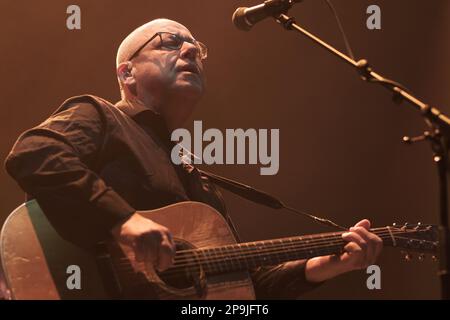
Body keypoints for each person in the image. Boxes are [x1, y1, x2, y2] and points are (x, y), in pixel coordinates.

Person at [4, 18, 382, 299]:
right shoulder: (101, 115)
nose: (189, 51)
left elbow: (239, 289)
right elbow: (34, 153)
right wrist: (123, 221)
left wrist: (327, 265)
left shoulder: (193, 176)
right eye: (168, 42)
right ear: (127, 72)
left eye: (195, 48)